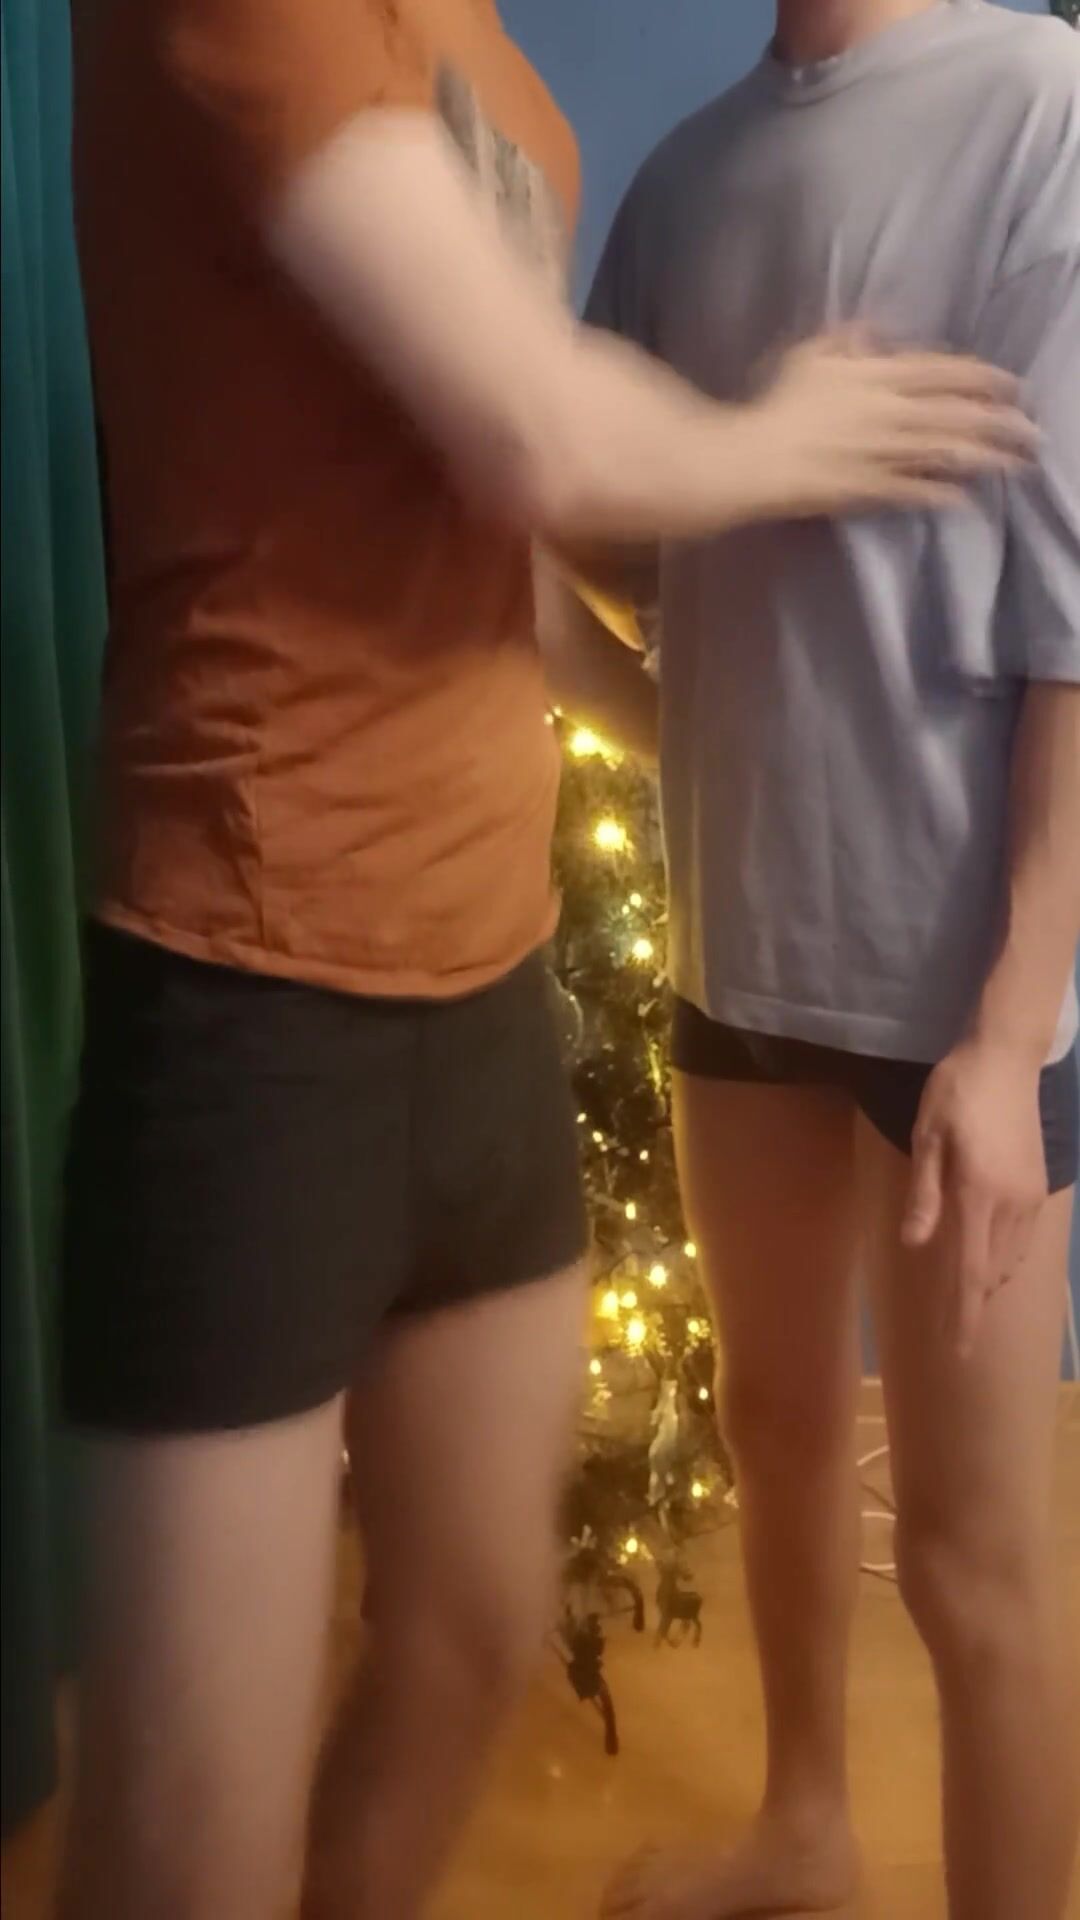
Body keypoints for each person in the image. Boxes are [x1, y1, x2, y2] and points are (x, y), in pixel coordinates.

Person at [57, 2, 1038, 1917]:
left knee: (468, 1637)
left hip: (489, 966)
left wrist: (725, 742)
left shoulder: (481, 37)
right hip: (255, 985)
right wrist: (792, 434)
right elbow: (540, 437)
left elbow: (493, 525)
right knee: (185, 1847)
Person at [545, 3, 1079, 1916]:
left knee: (969, 1562)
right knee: (775, 1432)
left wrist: (1010, 1028)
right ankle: (806, 1830)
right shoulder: (687, 181)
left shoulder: (1038, 103)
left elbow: (1075, 617)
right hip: (737, 947)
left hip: (955, 991)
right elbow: (615, 534)